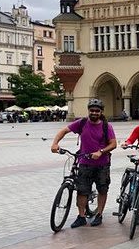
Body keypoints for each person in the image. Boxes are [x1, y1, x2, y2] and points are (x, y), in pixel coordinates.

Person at [50, 98, 117, 228]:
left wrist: (101, 152)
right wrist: (55, 143)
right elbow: (63, 131)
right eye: (92, 110)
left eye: (97, 111)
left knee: (102, 189)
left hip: (102, 163)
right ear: (88, 111)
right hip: (85, 162)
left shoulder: (106, 126)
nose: (94, 113)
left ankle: (99, 215)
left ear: (101, 112)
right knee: (82, 190)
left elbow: (113, 144)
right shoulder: (82, 123)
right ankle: (81, 216)